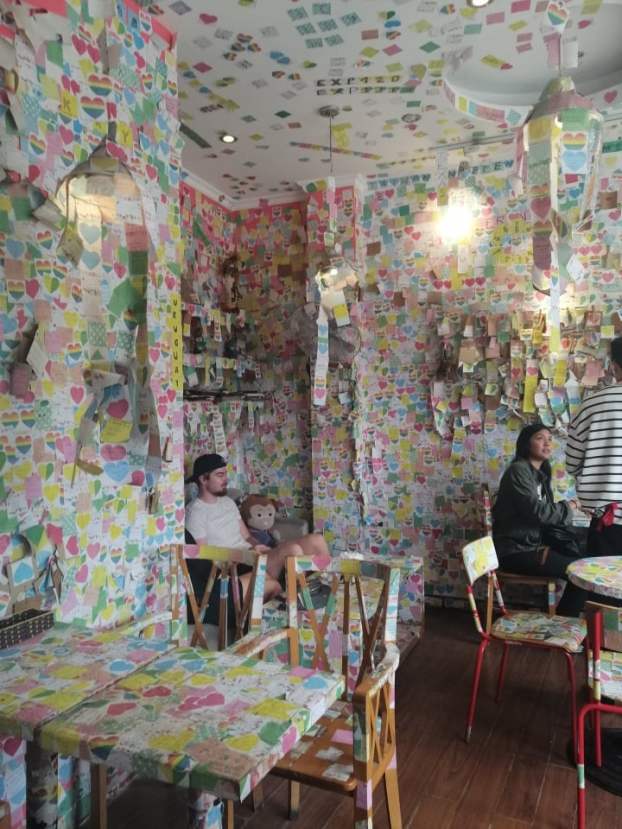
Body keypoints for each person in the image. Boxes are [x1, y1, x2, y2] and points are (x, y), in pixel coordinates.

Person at [185, 453, 330, 627]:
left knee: (316, 540)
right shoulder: (195, 512)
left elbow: (247, 536)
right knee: (294, 551)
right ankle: (301, 603)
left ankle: (328, 590)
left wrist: (259, 545)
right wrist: (245, 554)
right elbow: (204, 557)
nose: (226, 479)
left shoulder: (228, 503)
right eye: (220, 475)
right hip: (234, 565)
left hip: (253, 555)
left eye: (225, 474)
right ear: (203, 479)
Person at [492, 422, 591, 616]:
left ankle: (562, 620)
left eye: (550, 439)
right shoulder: (518, 471)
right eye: (540, 438)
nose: (547, 443)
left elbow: (543, 513)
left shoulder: (539, 475)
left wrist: (574, 507)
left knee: (583, 561)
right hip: (515, 550)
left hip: (529, 545)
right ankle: (563, 623)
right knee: (583, 574)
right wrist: (571, 505)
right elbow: (538, 512)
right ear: (526, 444)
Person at [566, 336, 622, 557]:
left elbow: (572, 465)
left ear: (614, 366)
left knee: (603, 579)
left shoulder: (591, 404)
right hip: (607, 518)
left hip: (608, 521)